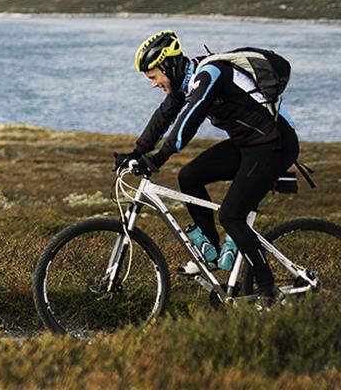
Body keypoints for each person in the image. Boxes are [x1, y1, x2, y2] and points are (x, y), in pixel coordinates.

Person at [118, 30, 300, 306]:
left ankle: (268, 290)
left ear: (168, 66)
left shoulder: (210, 74)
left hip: (274, 145)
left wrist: (157, 159)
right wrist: (136, 152)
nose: (154, 84)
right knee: (189, 176)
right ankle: (212, 251)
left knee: (231, 216)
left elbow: (187, 124)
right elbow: (163, 118)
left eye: (154, 77)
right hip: (247, 144)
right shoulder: (185, 84)